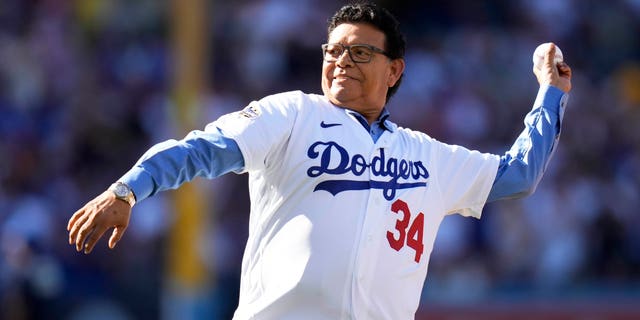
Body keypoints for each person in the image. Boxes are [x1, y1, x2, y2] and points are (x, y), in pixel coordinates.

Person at [67, 2, 572, 319]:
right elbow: (203, 148)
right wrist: (128, 188)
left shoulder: (427, 155)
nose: (340, 62)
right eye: (332, 51)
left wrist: (550, 94)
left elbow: (517, 175)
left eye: (359, 54)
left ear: (394, 70)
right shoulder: (293, 115)